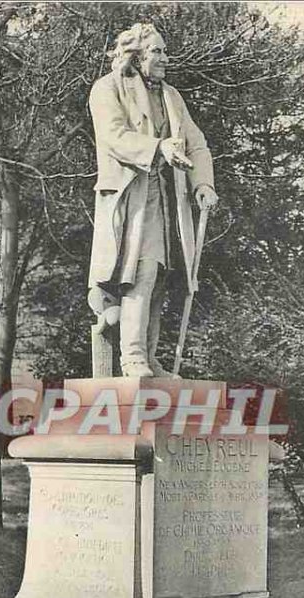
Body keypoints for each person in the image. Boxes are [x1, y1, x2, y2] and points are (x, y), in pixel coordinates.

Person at [88, 22, 218, 378]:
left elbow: (197, 143)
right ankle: (131, 357)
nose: (164, 58)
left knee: (160, 275)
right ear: (136, 54)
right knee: (138, 273)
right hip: (131, 197)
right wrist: (158, 147)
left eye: (164, 51)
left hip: (166, 198)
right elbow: (114, 137)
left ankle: (149, 356)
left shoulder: (172, 97)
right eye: (157, 51)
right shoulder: (108, 88)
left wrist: (202, 184)